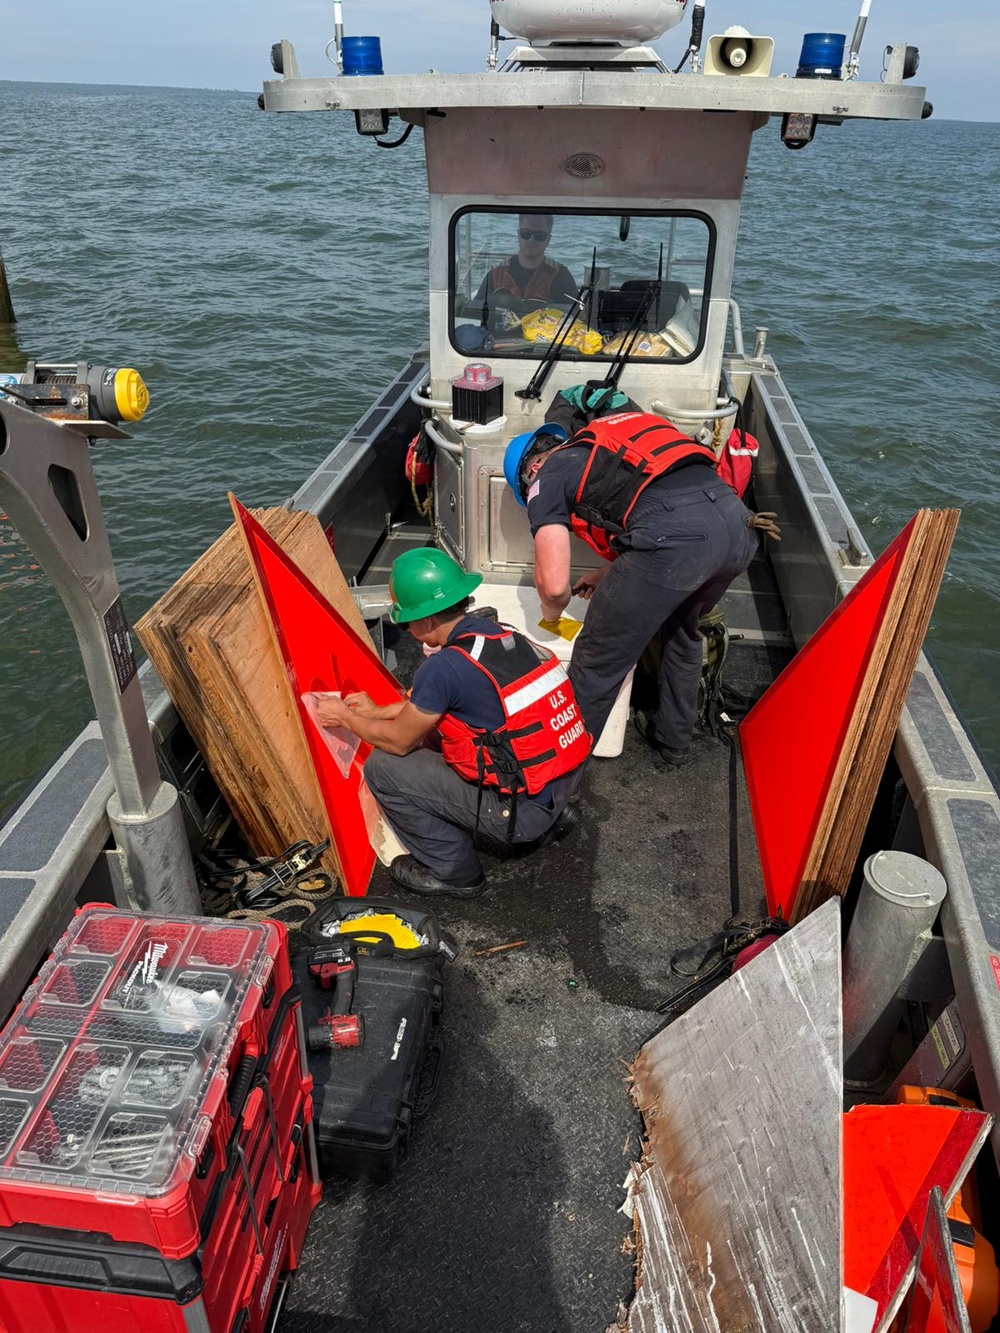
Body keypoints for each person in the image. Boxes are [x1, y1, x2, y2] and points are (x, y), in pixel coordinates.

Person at [503, 411, 777, 767]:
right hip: (740, 530)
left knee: (598, 662)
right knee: (682, 629)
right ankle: (674, 740)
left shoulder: (546, 476)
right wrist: (609, 572)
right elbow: (670, 507)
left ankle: (556, 783)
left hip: (676, 545)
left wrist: (551, 615)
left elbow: (554, 588)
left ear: (530, 471)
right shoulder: (603, 444)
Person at [314, 548, 591, 898]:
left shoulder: (443, 667)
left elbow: (399, 741)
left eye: (407, 621)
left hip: (520, 815)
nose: (409, 630)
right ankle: (553, 822)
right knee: (443, 735)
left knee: (383, 767)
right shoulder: (500, 635)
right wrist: (375, 711)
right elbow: (442, 705)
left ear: (427, 621)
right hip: (561, 785)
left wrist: (346, 718)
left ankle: (454, 871)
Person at [475, 214, 579, 307]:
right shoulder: (496, 275)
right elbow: (475, 313)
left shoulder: (561, 276)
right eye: (525, 233)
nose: (531, 239)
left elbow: (577, 319)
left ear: (548, 239)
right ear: (518, 235)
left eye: (539, 235)